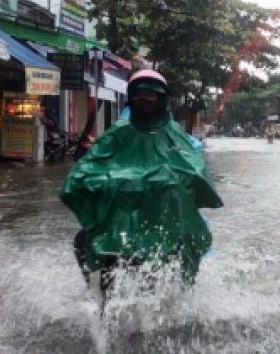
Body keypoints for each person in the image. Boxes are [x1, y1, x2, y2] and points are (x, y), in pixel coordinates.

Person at [60, 69, 223, 291]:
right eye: (138, 96)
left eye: (150, 96)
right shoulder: (118, 132)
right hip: (118, 218)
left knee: (188, 240)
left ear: (161, 99)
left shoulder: (174, 134)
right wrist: (111, 180)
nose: (143, 101)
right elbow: (85, 170)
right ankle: (95, 294)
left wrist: (165, 179)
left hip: (164, 218)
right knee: (84, 243)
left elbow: (194, 170)